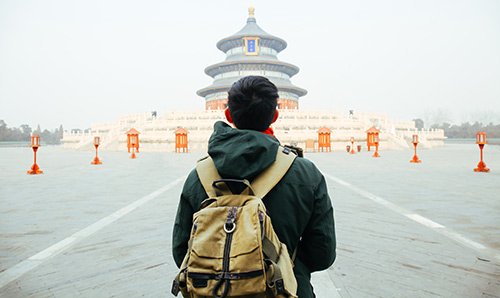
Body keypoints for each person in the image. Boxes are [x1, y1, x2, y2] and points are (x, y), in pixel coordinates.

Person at [172, 75, 336, 297]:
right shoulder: (306, 173)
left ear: (228, 114)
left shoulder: (199, 176)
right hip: (288, 290)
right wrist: (285, 261)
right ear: (275, 115)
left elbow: (181, 251)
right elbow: (322, 254)